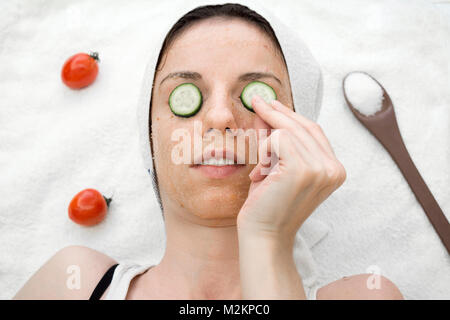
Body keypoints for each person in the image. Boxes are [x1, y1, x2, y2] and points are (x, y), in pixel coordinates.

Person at [13, 2, 403, 300]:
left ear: (302, 132)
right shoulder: (75, 283)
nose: (219, 117)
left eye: (255, 95)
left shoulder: (366, 295)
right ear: (150, 135)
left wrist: (268, 240)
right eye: (188, 95)